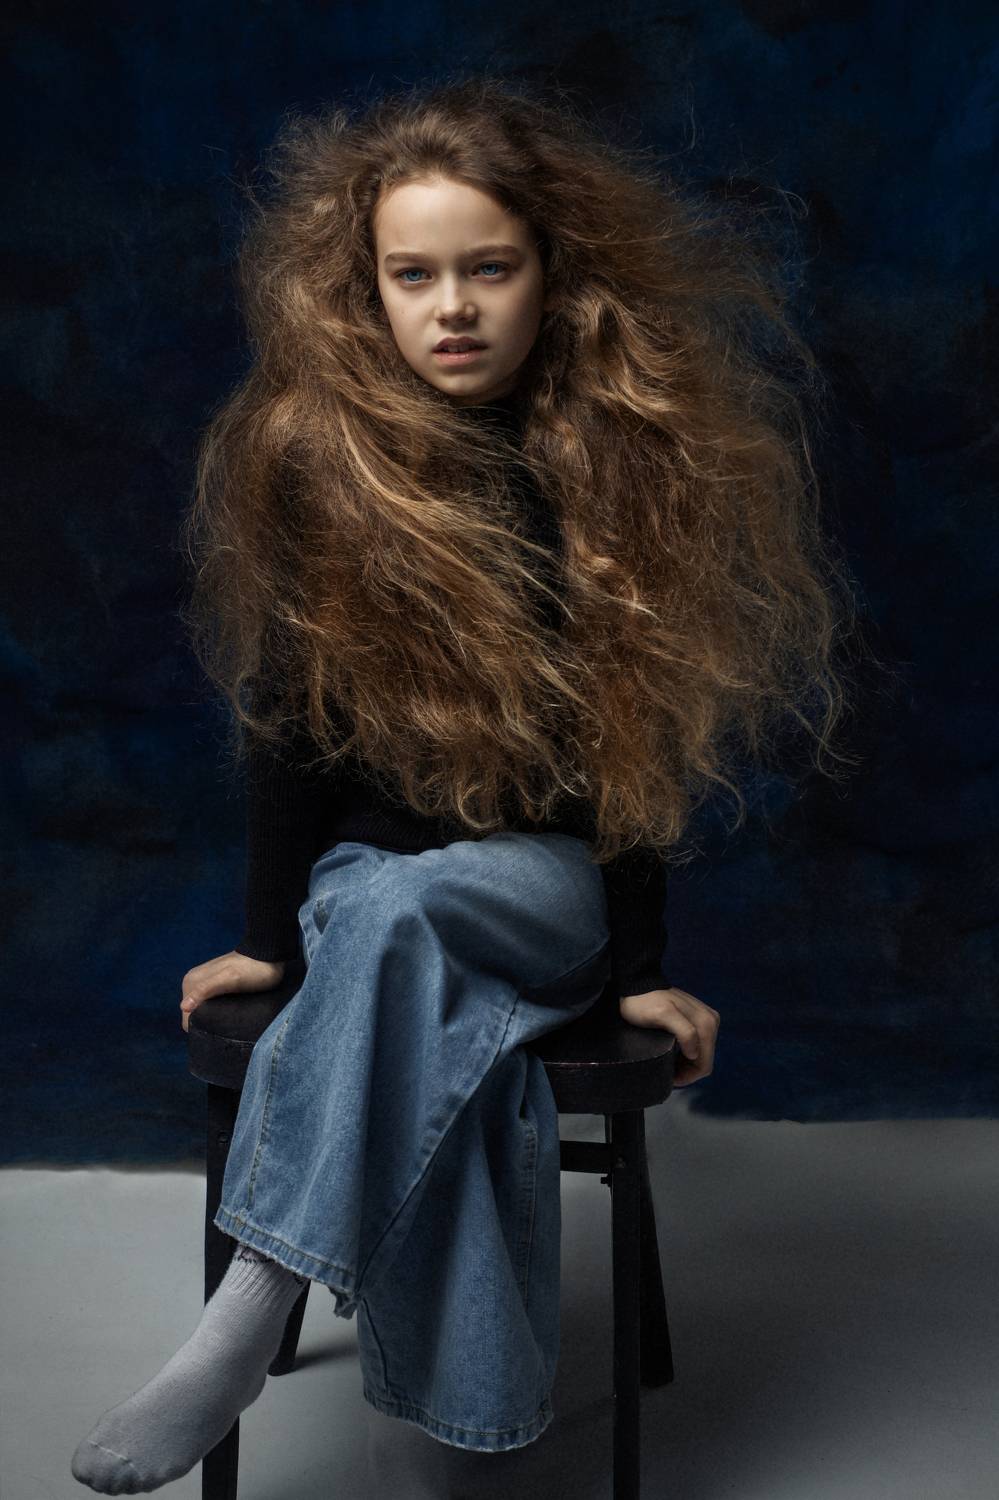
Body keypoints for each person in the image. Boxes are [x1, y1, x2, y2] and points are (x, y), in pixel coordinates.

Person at [72, 74, 860, 1493]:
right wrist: (267, 936)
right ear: (362, 289)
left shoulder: (616, 460)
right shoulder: (319, 464)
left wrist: (639, 970)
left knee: (412, 924)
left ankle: (248, 1310)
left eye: (489, 268)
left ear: (553, 274)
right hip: (365, 887)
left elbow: (634, 747)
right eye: (413, 275)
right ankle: (436, 1443)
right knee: (409, 958)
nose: (453, 308)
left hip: (541, 888)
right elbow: (288, 732)